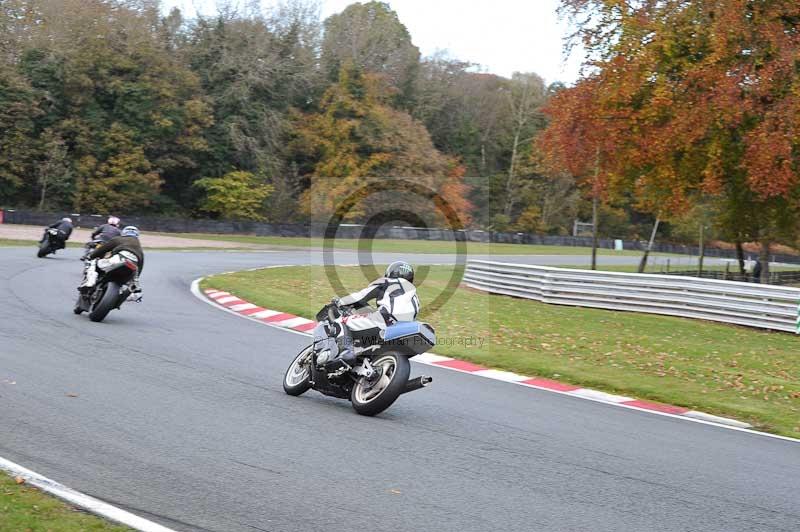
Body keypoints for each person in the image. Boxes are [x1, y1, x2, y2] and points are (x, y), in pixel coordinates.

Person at [327, 261, 420, 371]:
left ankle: (346, 351)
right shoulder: (415, 298)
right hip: (402, 329)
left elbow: (361, 296)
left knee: (340, 322)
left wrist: (340, 302)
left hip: (384, 320)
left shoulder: (389, 282)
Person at [79, 226, 144, 298]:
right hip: (132, 268)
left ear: (124, 233)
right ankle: (129, 293)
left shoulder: (119, 239)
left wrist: (91, 256)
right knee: (130, 284)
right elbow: (140, 265)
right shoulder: (139, 247)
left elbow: (103, 249)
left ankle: (90, 282)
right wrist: (135, 277)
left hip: (118, 260)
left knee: (94, 262)